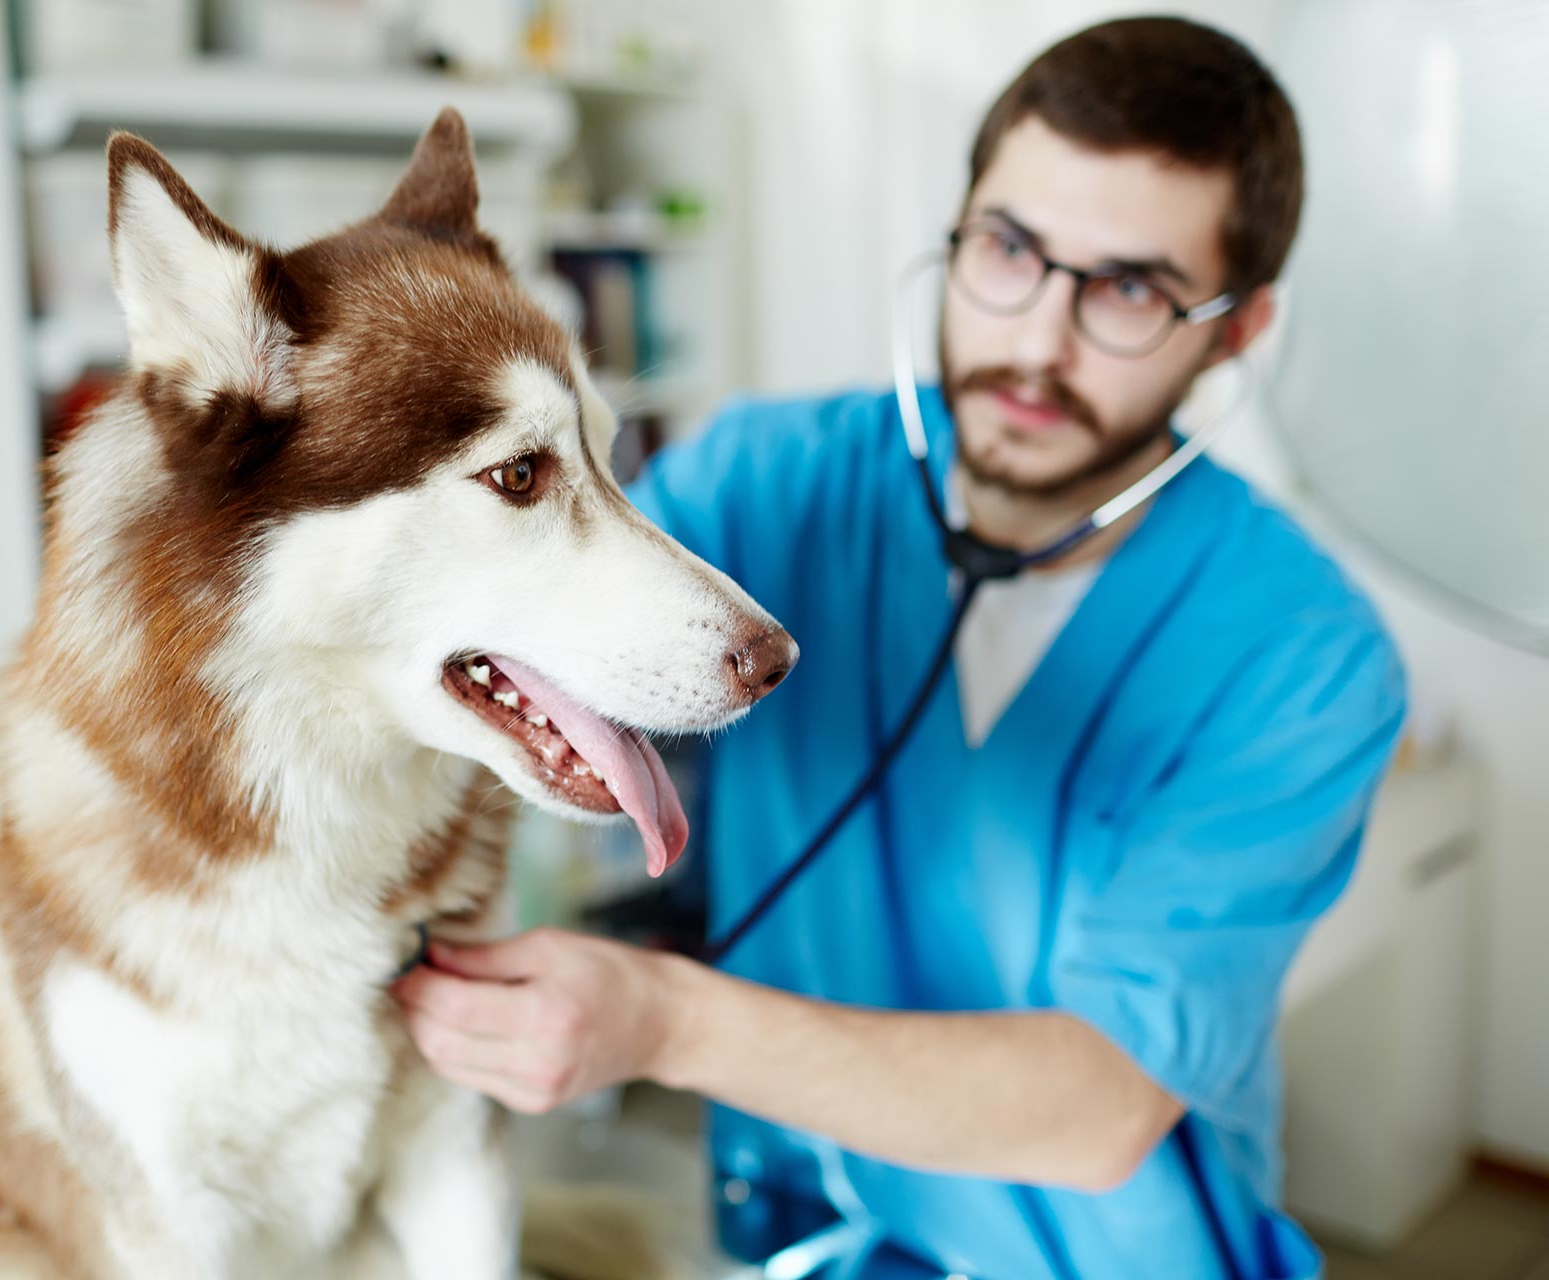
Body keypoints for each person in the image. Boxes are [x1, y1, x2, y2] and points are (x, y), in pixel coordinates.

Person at [393, 16, 1407, 1278]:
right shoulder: (769, 484)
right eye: (1009, 249)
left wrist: (655, 1017)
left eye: (1130, 290)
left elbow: (1099, 1106)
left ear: (1239, 329)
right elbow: (508, 633)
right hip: (809, 1237)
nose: (1036, 342)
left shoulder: (1305, 656)